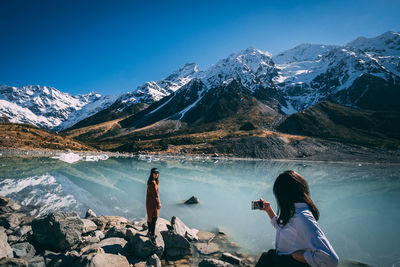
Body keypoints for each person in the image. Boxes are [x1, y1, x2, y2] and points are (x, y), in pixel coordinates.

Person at [256, 170, 339, 267]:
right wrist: (268, 210)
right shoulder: (294, 212)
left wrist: (302, 256)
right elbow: (283, 229)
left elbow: (331, 259)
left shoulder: (303, 217)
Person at [146, 168, 161, 240]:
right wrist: (158, 203)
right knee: (154, 218)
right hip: (153, 203)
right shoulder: (153, 183)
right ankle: (152, 234)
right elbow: (155, 195)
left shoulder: (151, 181)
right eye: (155, 173)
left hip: (149, 202)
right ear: (152, 173)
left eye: (157, 173)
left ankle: (149, 232)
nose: (156, 174)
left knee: (150, 217)